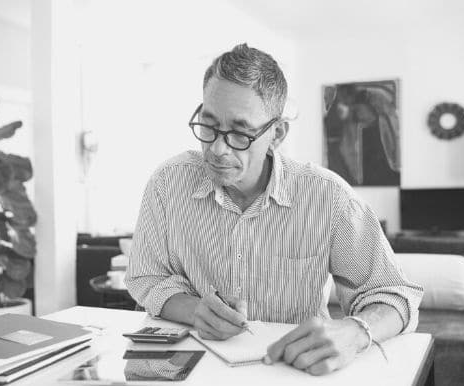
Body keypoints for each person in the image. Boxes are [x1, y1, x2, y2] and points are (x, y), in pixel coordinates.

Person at [125, 43, 423, 376]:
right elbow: (145, 278)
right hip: (194, 371)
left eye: (239, 133)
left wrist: (356, 331)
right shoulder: (167, 183)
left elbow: (397, 296)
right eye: (209, 125)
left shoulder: (328, 196)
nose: (217, 148)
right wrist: (194, 310)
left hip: (292, 372)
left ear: (277, 133)